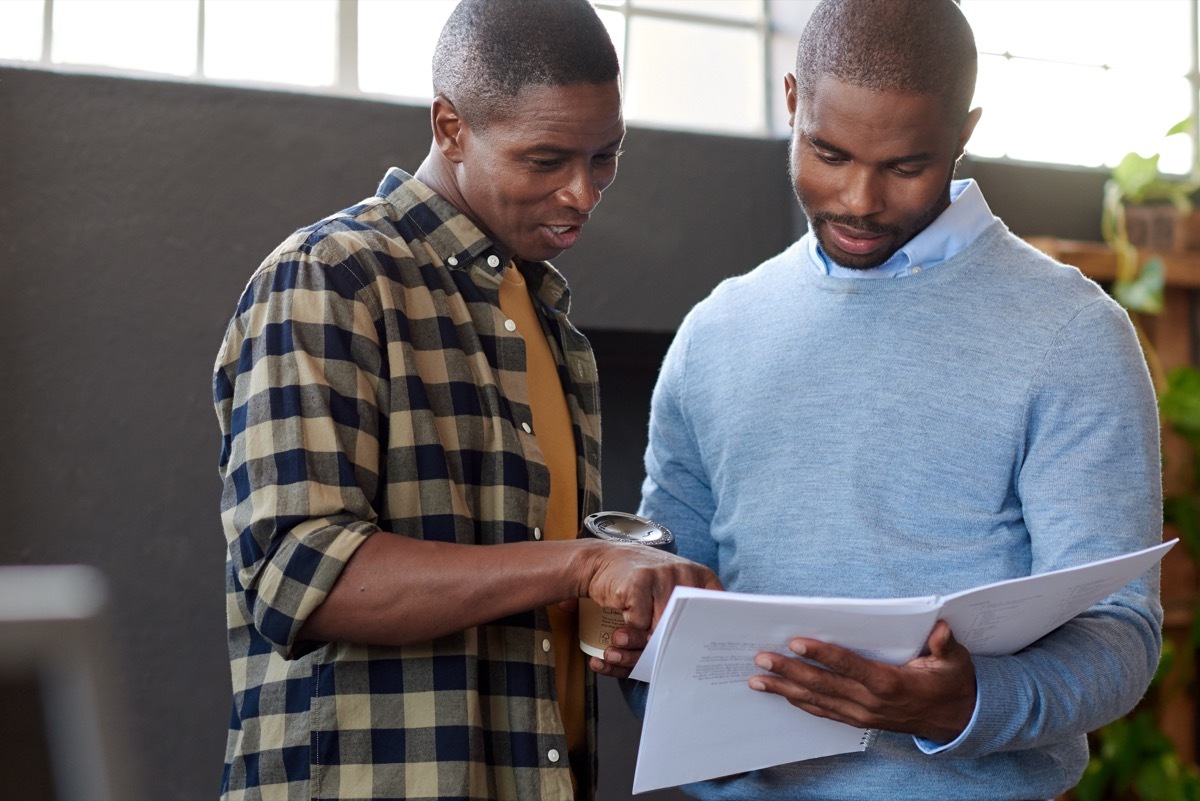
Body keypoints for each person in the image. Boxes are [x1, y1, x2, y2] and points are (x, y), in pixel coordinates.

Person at [630, 0, 1164, 799]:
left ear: (963, 131)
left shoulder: (1072, 333)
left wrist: (966, 702)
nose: (857, 199)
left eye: (905, 166)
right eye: (827, 151)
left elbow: (1120, 634)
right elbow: (666, 598)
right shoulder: (717, 331)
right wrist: (646, 661)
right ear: (791, 101)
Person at [212, 2, 719, 799]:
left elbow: (525, 593)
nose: (583, 193)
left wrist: (615, 621)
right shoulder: (330, 277)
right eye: (546, 158)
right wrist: (582, 563)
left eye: (606, 157)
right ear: (450, 127)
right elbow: (299, 571)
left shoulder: (550, 324)